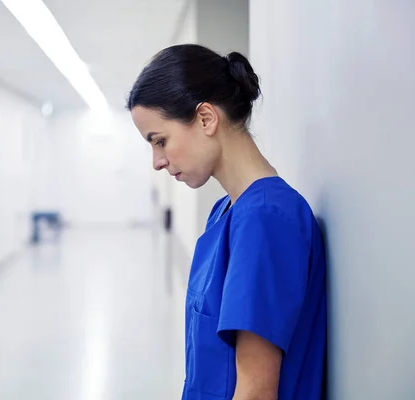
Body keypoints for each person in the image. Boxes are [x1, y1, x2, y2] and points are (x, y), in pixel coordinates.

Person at [126, 44, 327, 400]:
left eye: (160, 141)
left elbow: (255, 391)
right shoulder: (226, 211)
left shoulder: (266, 220)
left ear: (206, 118)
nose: (157, 161)